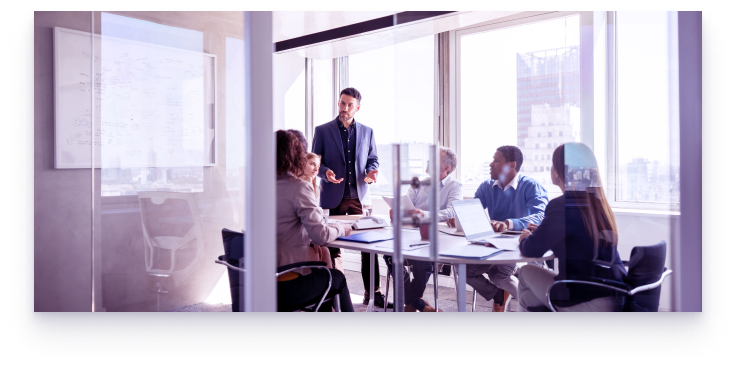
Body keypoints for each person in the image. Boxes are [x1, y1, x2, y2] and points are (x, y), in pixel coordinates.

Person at [517, 142, 627, 312]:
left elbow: (532, 250)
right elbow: (574, 235)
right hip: (615, 295)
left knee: (525, 272)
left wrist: (525, 239)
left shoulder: (562, 205)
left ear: (558, 171)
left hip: (586, 297)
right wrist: (543, 230)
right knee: (527, 299)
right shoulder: (598, 205)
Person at [311, 87, 391, 309]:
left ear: (358, 107)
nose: (344, 108)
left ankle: (372, 292)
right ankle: (338, 293)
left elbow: (373, 160)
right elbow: (314, 163)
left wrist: (372, 171)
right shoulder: (322, 131)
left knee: (368, 246)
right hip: (333, 197)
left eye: (349, 105)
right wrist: (324, 171)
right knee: (333, 246)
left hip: (359, 197)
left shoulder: (367, 132)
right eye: (341, 103)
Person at [447, 145, 548, 312]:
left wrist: (508, 223)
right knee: (461, 267)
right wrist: (460, 219)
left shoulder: (530, 186)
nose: (491, 164)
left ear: (512, 165)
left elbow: (540, 217)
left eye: (496, 160)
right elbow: (473, 211)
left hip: (521, 248)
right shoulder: (486, 186)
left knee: (498, 273)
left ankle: (537, 307)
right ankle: (497, 294)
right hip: (494, 247)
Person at [275, 130, 355, 312]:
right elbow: (321, 236)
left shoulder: (261, 185)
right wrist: (341, 228)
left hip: (260, 281)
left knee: (323, 273)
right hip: (287, 284)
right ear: (299, 156)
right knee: (337, 279)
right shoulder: (298, 187)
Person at [387, 146, 462, 312]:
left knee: (422, 261)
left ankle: (410, 304)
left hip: (434, 238)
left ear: (446, 168)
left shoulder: (455, 186)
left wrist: (425, 214)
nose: (428, 161)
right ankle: (418, 304)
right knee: (389, 253)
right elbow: (408, 206)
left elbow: (452, 211)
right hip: (410, 233)